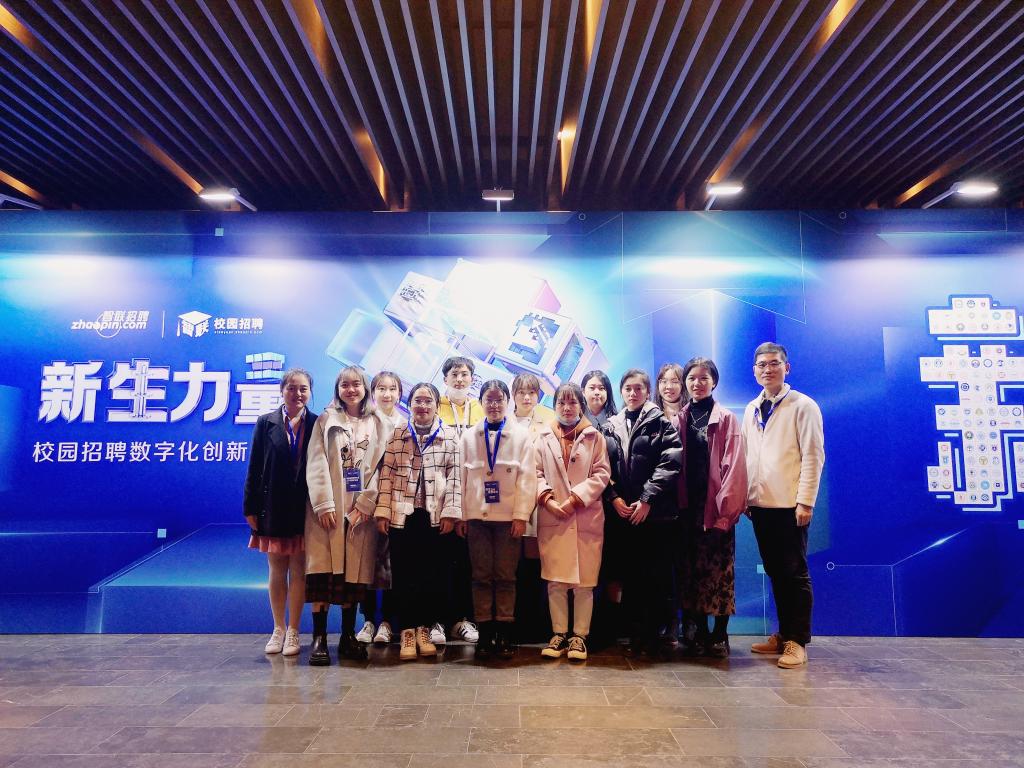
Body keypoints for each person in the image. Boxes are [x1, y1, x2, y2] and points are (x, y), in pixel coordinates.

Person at [740, 342, 825, 669]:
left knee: (795, 573)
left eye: (774, 363)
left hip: (791, 506)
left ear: (786, 367)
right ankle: (784, 633)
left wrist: (805, 501)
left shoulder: (803, 406)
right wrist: (747, 496)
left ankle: (797, 641)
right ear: (754, 371)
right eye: (762, 364)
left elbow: (813, 456)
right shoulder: (752, 408)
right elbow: (747, 455)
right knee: (776, 572)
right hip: (761, 505)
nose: (768, 369)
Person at [305, 365, 390, 666]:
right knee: (323, 576)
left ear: (365, 388)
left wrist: (366, 505)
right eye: (345, 385)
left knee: (353, 578)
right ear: (338, 389)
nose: (351, 390)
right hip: (328, 511)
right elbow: (315, 462)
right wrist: (323, 504)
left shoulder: (378, 422)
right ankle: (319, 638)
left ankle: (347, 636)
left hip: (360, 513)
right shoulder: (326, 419)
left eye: (356, 384)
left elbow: (383, 466)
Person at [375, 383, 462, 661]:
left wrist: (451, 513)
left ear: (436, 405)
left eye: (428, 401)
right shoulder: (398, 433)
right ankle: (407, 632)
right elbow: (386, 475)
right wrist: (383, 511)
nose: (422, 406)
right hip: (402, 515)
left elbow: (456, 478)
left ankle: (424, 629)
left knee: (431, 574)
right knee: (403, 575)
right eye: (417, 401)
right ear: (409, 404)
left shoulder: (449, 436)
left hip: (435, 516)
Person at [604, 368, 682, 657]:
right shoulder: (610, 426)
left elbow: (670, 462)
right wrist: (613, 498)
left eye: (638, 388)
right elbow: (601, 467)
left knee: (654, 577)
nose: (633, 393)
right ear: (621, 392)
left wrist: (647, 499)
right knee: (631, 577)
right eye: (628, 388)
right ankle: (635, 636)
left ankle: (652, 638)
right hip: (623, 514)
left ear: (648, 392)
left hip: (654, 515)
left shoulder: (661, 423)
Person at [459, 379, 537, 659]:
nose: (494, 405)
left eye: (499, 399)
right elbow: (461, 479)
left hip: (508, 520)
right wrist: (462, 516)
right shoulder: (468, 436)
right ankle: (484, 631)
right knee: (481, 575)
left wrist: (521, 516)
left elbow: (528, 479)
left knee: (506, 576)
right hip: (476, 518)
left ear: (507, 401)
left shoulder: (521, 436)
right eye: (488, 400)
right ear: (481, 402)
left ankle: (503, 631)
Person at [675, 357, 747, 657]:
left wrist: (725, 514)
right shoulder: (679, 419)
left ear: (714, 382)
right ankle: (700, 631)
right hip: (687, 509)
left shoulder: (727, 419)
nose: (697, 383)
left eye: (704, 378)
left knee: (720, 573)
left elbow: (735, 468)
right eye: (692, 378)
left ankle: (719, 634)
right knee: (692, 572)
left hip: (716, 509)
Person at [243, 369, 318, 658]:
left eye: (303, 389)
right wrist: (250, 507)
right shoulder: (266, 423)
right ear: (282, 390)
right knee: (277, 570)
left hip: (304, 507)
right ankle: (278, 628)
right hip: (272, 505)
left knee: (299, 571)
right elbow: (254, 467)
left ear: (310, 392)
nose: (297, 394)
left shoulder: (317, 423)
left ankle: (295, 630)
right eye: (292, 388)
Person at [535, 382, 610, 662]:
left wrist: (575, 500)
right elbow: (534, 472)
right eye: (561, 403)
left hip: (585, 516)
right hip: (552, 514)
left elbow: (602, 474)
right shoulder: (543, 436)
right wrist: (549, 500)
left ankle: (579, 637)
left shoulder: (594, 437)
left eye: (572, 402)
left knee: (585, 583)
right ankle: (558, 635)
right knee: (555, 581)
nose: (567, 408)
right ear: (555, 405)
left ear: (581, 405)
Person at [435, 356, 482, 646]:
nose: (460, 379)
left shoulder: (480, 408)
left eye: (464, 374)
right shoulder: (434, 405)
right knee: (441, 561)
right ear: (445, 378)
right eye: (454, 374)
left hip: (474, 495)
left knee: (467, 563)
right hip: (440, 496)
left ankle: (463, 620)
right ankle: (439, 620)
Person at [355, 371, 404, 647]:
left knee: (392, 563)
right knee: (366, 561)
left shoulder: (405, 424)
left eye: (392, 388)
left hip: (395, 502)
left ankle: (387, 621)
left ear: (400, 394)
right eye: (381, 388)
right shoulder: (363, 423)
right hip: (365, 501)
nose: (387, 394)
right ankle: (368, 620)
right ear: (372, 393)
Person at [511, 372, 555, 643]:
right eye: (521, 392)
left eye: (532, 392)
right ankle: (515, 622)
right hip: (510, 500)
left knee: (536, 563)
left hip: (539, 500)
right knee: (512, 564)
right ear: (513, 395)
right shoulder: (505, 421)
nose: (527, 397)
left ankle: (538, 623)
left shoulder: (549, 422)